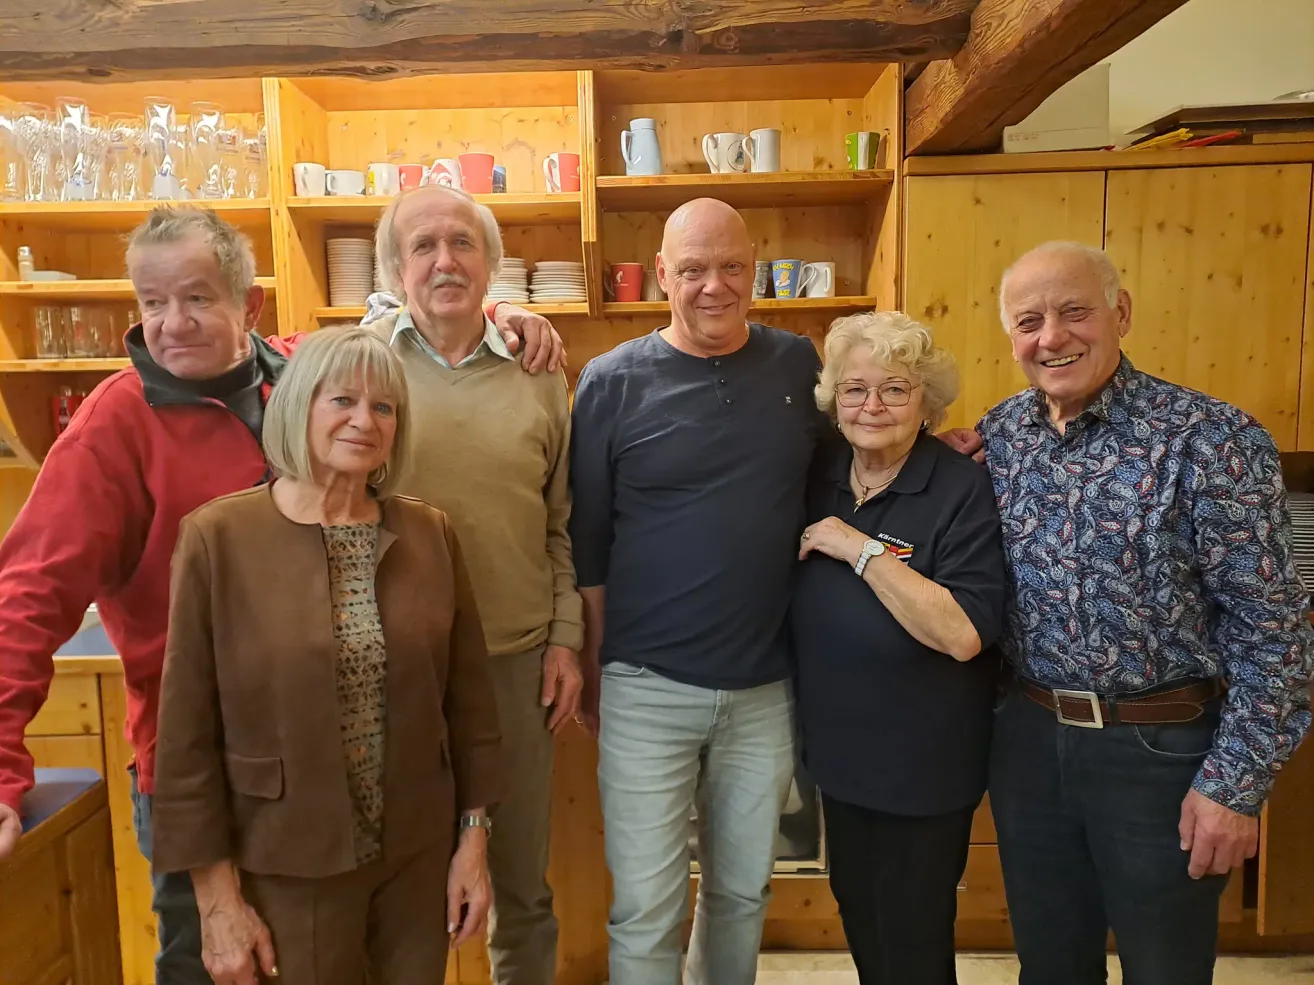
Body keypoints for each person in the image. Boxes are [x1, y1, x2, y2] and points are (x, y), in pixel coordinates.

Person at [0, 205, 562, 984]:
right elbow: (24, 598)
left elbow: (398, 339)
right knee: (209, 958)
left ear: (250, 306)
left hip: (352, 768)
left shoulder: (305, 372)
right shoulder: (115, 427)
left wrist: (497, 311)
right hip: (195, 762)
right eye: (152, 303)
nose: (173, 324)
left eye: (197, 298)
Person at [974, 241, 1314, 984]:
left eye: (1073, 313)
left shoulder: (1212, 439)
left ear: (1120, 313)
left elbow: (1275, 631)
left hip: (1161, 754)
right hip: (1029, 745)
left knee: (1166, 971)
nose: (1051, 337)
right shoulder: (997, 438)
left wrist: (1234, 785)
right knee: (1050, 969)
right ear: (1011, 337)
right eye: (1029, 321)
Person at [152, 325, 500, 985]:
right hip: (285, 860)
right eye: (341, 400)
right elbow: (186, 742)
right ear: (298, 406)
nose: (363, 420)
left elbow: (472, 707)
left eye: (383, 407)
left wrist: (473, 841)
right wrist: (217, 899)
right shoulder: (218, 539)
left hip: (415, 860)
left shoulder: (430, 533)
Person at [569, 197, 830, 985]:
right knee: (646, 905)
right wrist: (594, 663)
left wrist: (941, 443)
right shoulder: (611, 382)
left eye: (730, 267)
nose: (712, 286)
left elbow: (860, 460)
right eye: (692, 270)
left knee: (741, 892)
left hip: (765, 687)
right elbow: (589, 545)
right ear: (661, 276)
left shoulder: (798, 365)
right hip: (646, 685)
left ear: (755, 268)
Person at [365, 183, 583, 985]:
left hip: (514, 667)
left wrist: (564, 639)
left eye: (461, 243)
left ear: (491, 264)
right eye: (422, 245)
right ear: (394, 267)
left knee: (522, 884)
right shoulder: (362, 369)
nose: (444, 260)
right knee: (407, 882)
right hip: (393, 672)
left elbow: (561, 525)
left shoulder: (541, 377)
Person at [790, 311, 1006, 984]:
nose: (872, 405)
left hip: (924, 764)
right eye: (855, 389)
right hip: (840, 757)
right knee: (861, 915)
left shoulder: (958, 489)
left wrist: (857, 547)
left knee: (911, 936)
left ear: (928, 404)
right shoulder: (821, 474)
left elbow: (964, 631)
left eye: (895, 388)